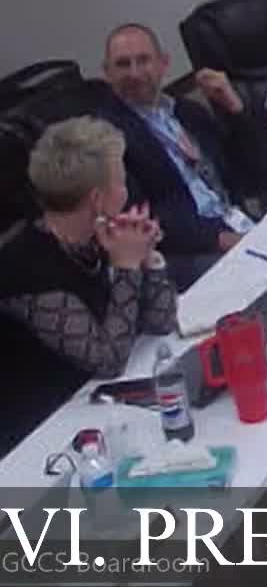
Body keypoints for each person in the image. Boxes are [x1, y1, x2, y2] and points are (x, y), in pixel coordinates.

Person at [0, 119, 178, 455]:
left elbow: (161, 322)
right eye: (121, 181)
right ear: (97, 198)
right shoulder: (25, 267)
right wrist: (126, 265)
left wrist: (149, 257)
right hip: (39, 433)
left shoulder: (97, 236)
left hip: (97, 399)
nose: (127, 190)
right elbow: (108, 360)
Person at [94, 23, 265, 289]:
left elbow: (254, 171)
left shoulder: (188, 111)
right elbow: (139, 218)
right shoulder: (107, 136)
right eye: (123, 64)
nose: (135, 73)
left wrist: (234, 110)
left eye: (143, 60)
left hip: (237, 218)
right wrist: (218, 238)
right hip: (189, 250)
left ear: (163, 64)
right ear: (107, 73)